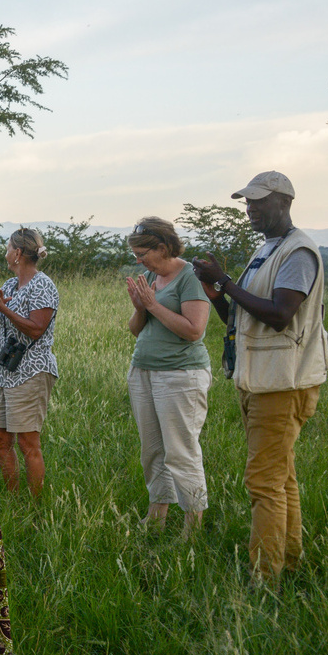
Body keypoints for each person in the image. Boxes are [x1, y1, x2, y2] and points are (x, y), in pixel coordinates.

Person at [191, 171, 328, 584]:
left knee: (263, 481)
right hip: (262, 378)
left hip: (283, 383)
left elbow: (279, 314)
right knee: (281, 476)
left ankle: (263, 579)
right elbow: (244, 318)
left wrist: (225, 281)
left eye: (258, 202)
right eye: (247, 203)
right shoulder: (268, 249)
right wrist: (220, 296)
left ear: (284, 201)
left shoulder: (298, 252)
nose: (249, 209)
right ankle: (287, 562)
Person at [125, 217, 212, 534]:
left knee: (181, 451)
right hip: (144, 371)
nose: (138, 261)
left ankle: (193, 527)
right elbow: (136, 330)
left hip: (180, 376)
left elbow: (194, 331)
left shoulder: (190, 276)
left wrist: (154, 306)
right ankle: (156, 518)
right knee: (153, 451)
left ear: (162, 247)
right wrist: (140, 308)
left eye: (142, 253)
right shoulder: (151, 275)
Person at [0, 227, 58, 498]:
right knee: (0, 439)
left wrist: (4, 307)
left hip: (31, 371)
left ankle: (35, 505)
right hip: (7, 371)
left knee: (28, 442)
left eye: (8, 248)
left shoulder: (43, 284)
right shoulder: (9, 285)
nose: (6, 253)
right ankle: (13, 497)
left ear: (18, 253)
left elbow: (36, 329)